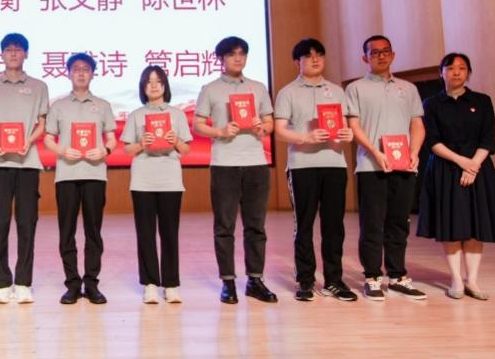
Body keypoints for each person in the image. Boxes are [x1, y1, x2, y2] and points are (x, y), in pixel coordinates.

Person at [417, 53, 495, 300]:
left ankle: (472, 280)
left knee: (474, 225)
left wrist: (473, 166)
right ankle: (456, 280)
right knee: (451, 225)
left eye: (462, 68)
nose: (456, 72)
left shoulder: (482, 101)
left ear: (469, 72)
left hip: (478, 168)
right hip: (445, 168)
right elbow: (432, 141)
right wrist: (461, 162)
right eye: (450, 68)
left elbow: (488, 139)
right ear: (441, 73)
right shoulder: (431, 103)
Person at [194, 36, 278, 305]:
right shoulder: (210, 89)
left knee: (256, 226)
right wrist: (220, 131)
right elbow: (197, 125)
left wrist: (262, 127)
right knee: (224, 226)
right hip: (224, 164)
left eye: (242, 53)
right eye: (232, 54)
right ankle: (228, 282)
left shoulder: (258, 87)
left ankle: (255, 280)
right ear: (221, 58)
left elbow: (270, 123)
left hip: (256, 163)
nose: (238, 58)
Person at [273, 38, 357, 303]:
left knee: (334, 226)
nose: (316, 59)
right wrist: (305, 137)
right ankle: (305, 280)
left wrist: (347, 134)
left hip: (334, 164)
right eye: (309, 56)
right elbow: (279, 131)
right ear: (297, 61)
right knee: (304, 225)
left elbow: (345, 126)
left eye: (319, 54)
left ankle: (334, 280)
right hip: (302, 166)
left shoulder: (337, 91)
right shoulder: (287, 92)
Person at [346, 35, 427, 301]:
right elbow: (354, 126)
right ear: (365, 58)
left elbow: (417, 124)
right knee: (372, 225)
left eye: (385, 51)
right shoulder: (355, 88)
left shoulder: (408, 88)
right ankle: (372, 277)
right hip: (371, 167)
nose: (381, 56)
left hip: (404, 166)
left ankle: (397, 276)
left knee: (399, 223)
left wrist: (414, 152)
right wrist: (375, 152)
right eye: (374, 52)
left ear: (393, 55)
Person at [0, 33, 50, 304]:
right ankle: (1, 283)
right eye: (8, 49)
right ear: (2, 54)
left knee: (27, 223)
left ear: (26, 54)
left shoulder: (39, 86)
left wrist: (28, 141)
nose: (13, 54)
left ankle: (23, 282)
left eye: (18, 49)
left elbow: (42, 125)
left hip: (27, 162)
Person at [44, 53, 118, 305]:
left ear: (93, 74)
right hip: (66, 175)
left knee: (93, 231)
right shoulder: (58, 106)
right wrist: (62, 150)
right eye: (76, 69)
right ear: (68, 73)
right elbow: (48, 138)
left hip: (95, 174)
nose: (81, 73)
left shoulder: (103, 105)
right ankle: (73, 284)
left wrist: (105, 150)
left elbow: (112, 139)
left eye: (86, 69)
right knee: (67, 231)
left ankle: (92, 283)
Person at [120, 65, 191, 304]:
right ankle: (150, 283)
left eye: (158, 81)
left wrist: (176, 140)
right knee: (146, 233)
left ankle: (171, 284)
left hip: (170, 180)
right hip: (143, 180)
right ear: (142, 86)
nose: (153, 85)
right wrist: (141, 144)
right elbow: (127, 149)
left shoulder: (177, 114)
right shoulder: (136, 115)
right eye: (148, 81)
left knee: (170, 233)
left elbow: (186, 149)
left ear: (165, 85)